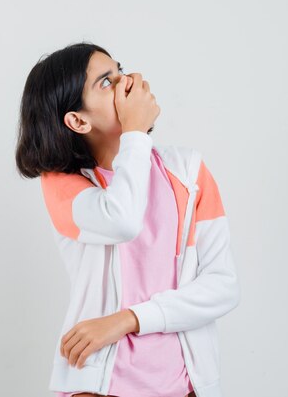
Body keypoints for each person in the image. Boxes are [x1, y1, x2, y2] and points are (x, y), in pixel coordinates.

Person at [15, 42, 241, 397]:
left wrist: (127, 320)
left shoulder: (189, 171)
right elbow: (122, 221)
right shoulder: (62, 184)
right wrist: (134, 133)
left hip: (185, 386)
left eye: (120, 70)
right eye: (106, 82)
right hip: (98, 387)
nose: (127, 83)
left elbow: (223, 286)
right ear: (77, 120)